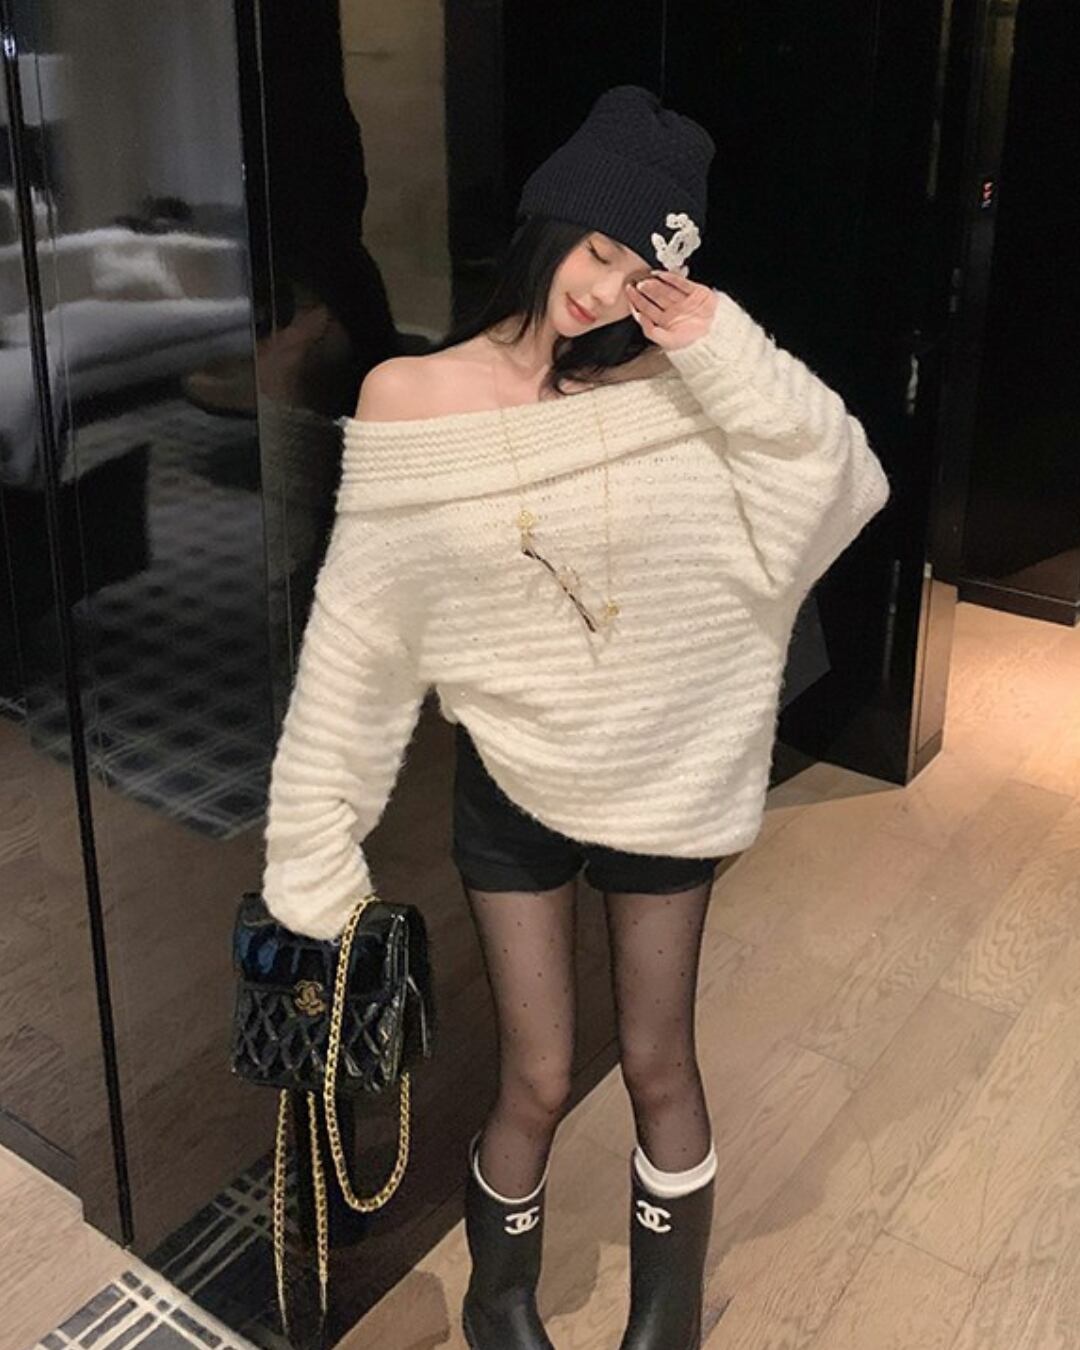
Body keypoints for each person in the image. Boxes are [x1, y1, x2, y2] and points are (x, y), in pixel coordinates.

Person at [260, 85, 891, 1349]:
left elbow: (842, 487)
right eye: (595, 249)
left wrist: (721, 344)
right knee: (539, 1076)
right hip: (509, 784)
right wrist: (312, 845)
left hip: (663, 778)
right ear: (550, 222)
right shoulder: (410, 394)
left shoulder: (677, 390)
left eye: (639, 271)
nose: (602, 291)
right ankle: (500, 1300)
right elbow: (361, 636)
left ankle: (665, 1323)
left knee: (660, 1063)